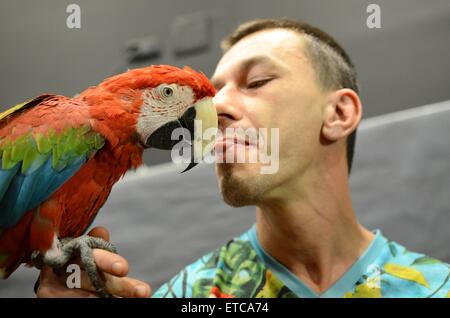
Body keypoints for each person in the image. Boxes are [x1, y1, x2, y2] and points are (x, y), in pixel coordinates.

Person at [37, 18, 450, 298]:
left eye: (256, 82)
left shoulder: (434, 287)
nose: (219, 107)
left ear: (339, 114)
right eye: (214, 94)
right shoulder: (192, 295)